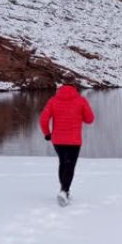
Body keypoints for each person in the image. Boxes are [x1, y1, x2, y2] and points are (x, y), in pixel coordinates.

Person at [40, 75, 95, 206]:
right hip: (74, 140)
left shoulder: (53, 100)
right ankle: (64, 191)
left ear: (62, 85)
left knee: (63, 163)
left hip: (58, 140)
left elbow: (43, 119)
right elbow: (90, 119)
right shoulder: (81, 100)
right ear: (75, 86)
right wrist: (79, 114)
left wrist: (47, 133)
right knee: (70, 165)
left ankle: (64, 191)